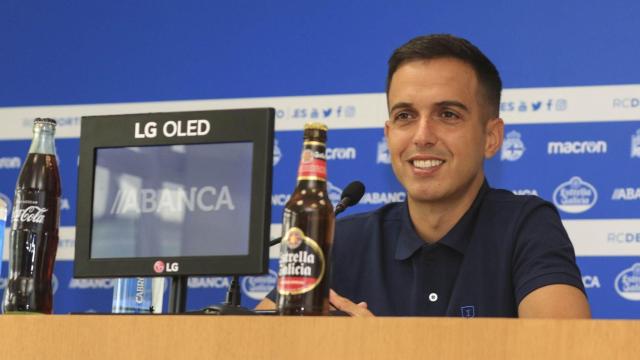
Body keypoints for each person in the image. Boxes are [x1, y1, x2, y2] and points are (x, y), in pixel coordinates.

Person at [257, 34, 590, 318]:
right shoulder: (342, 240)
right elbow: (247, 340)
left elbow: (564, 347)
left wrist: (376, 348)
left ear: (491, 137)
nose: (422, 136)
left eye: (447, 114)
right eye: (405, 115)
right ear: (388, 135)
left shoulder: (526, 226)